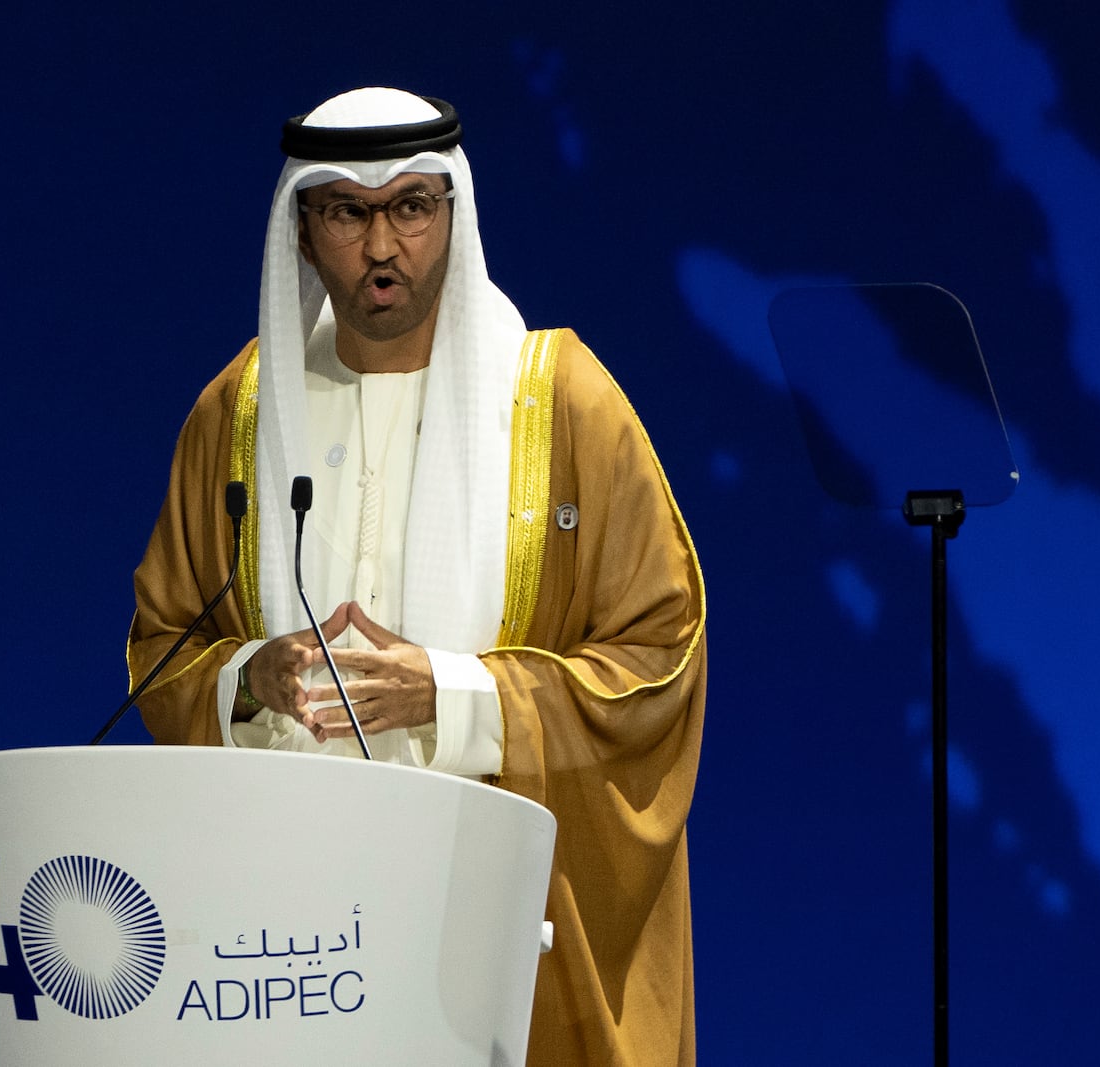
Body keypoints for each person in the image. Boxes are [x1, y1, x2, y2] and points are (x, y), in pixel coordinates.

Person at [128, 87, 707, 1066]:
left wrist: (451, 692)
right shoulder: (238, 411)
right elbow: (163, 644)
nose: (383, 245)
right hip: (284, 932)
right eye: (349, 213)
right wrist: (244, 679)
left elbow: (659, 657)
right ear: (305, 232)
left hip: (483, 916)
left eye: (410, 207)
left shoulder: (560, 401)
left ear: (453, 215)